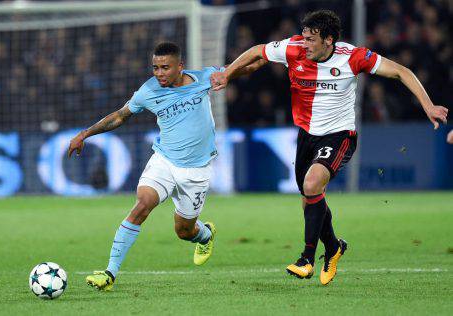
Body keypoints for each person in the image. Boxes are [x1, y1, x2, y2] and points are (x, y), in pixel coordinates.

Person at [211, 10, 448, 285]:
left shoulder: (353, 57)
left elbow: (400, 71)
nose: (306, 43)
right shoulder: (293, 47)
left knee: (312, 185)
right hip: (307, 136)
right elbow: (257, 52)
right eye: (305, 37)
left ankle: (307, 259)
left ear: (329, 40)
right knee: (310, 198)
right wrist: (228, 72)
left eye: (312, 39)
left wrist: (428, 105)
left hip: (340, 135)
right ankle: (334, 247)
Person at [68, 42, 263, 291]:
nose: (159, 73)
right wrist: (85, 134)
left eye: (165, 67)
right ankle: (110, 273)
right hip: (165, 160)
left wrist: (265, 59)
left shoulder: (203, 78)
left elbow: (237, 70)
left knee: (184, 231)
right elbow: (119, 116)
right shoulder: (148, 91)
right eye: (155, 67)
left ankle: (205, 235)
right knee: (142, 204)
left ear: (180, 67)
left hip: (196, 170)